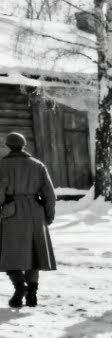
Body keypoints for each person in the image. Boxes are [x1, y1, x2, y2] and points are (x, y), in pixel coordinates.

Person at [0, 132, 56, 308]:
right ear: (24, 145)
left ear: (8, 146)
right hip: (36, 213)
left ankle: (20, 287)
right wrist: (48, 215)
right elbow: (50, 195)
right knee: (35, 254)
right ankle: (32, 295)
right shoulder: (38, 165)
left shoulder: (2, 166)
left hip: (12, 212)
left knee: (9, 254)